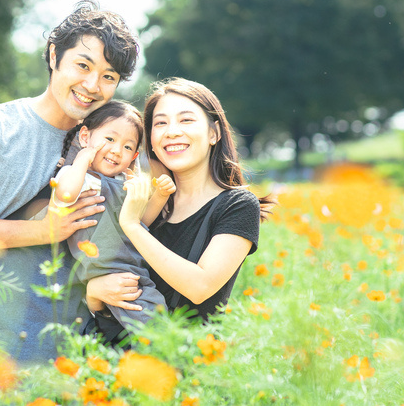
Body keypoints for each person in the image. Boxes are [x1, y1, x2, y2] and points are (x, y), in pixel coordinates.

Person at [0, 1, 139, 363]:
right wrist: (44, 231)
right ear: (54, 56)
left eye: (108, 76)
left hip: (73, 358)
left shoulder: (118, 149)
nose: (92, 85)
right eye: (83, 65)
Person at [85, 78, 274, 321]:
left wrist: (132, 225)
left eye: (186, 120)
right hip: (111, 343)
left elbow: (200, 287)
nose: (172, 132)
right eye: (160, 123)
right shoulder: (143, 197)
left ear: (214, 133)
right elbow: (104, 265)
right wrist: (93, 293)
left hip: (178, 344)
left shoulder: (237, 205)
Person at [13, 101, 174, 344]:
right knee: (149, 320)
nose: (117, 150)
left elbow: (140, 222)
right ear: (85, 136)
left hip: (134, 266)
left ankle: (153, 355)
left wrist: (160, 196)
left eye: (127, 146)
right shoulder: (77, 176)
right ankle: (168, 353)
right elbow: (66, 195)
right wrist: (82, 159)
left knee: (149, 311)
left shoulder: (125, 182)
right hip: (106, 269)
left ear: (134, 156)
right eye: (109, 139)